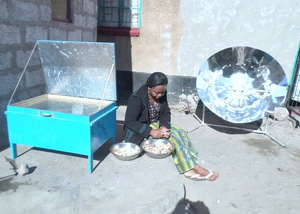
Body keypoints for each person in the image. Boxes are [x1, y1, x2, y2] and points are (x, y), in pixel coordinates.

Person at [124, 72, 218, 181]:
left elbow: (166, 112)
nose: (159, 95)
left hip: (156, 125)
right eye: (156, 93)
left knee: (181, 133)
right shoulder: (137, 98)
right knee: (173, 141)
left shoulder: (162, 93)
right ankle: (191, 169)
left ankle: (189, 160)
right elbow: (130, 122)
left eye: (162, 93)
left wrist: (163, 126)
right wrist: (151, 131)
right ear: (149, 88)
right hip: (139, 130)